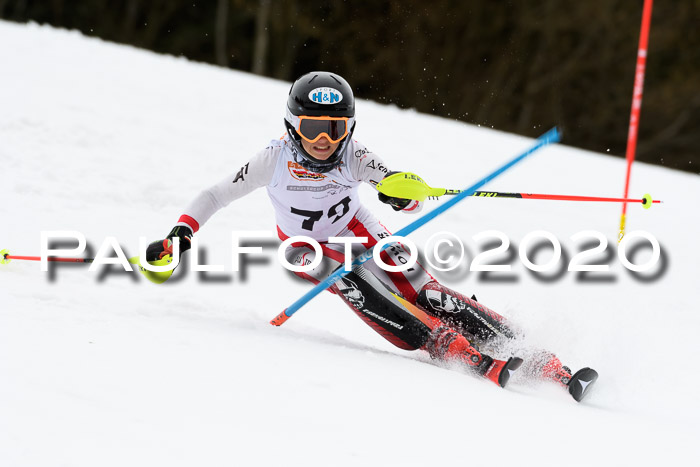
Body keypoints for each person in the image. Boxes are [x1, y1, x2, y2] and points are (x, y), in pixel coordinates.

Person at [146, 71, 597, 400]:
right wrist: (181, 234)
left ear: (350, 129)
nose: (324, 141)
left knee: (425, 290)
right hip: (304, 246)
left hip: (357, 227)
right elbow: (215, 194)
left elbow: (395, 183)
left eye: (335, 129)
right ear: (291, 127)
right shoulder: (272, 159)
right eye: (312, 129)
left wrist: (405, 196)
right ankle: (449, 346)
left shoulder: (354, 155)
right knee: (348, 277)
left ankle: (536, 356)